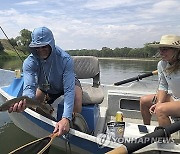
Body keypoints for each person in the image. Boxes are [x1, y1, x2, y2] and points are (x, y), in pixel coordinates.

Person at [8, 26, 83, 136]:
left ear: (51, 44)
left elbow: (69, 90)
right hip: (46, 86)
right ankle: (49, 121)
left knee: (76, 100)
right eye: (37, 47)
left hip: (67, 84)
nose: (41, 50)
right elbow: (29, 87)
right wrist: (24, 101)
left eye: (44, 46)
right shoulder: (29, 62)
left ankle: (71, 124)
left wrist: (66, 117)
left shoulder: (65, 59)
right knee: (33, 104)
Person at [140, 34, 180, 127]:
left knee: (160, 109)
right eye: (160, 49)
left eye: (165, 49)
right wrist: (159, 102)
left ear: (176, 51)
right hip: (175, 97)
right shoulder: (162, 64)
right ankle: (147, 129)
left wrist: (160, 106)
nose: (161, 52)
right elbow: (163, 86)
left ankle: (166, 139)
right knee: (144, 101)